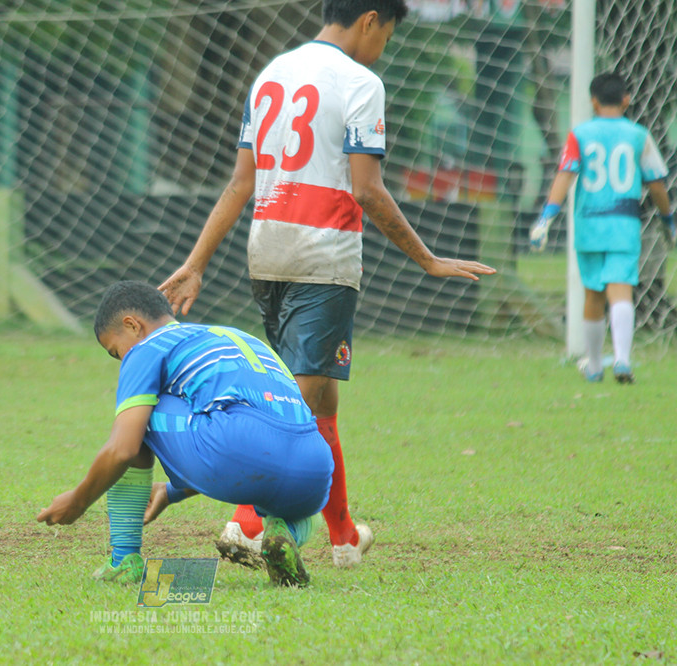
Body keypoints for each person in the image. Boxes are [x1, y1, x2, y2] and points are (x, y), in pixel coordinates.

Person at [158, 0, 496, 569]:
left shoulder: (272, 73)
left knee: (321, 400)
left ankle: (342, 537)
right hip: (323, 262)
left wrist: (196, 262)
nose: (382, 46)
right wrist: (427, 258)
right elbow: (367, 189)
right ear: (370, 19)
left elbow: (242, 182)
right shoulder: (361, 82)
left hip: (266, 257)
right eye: (386, 34)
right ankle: (243, 525)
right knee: (289, 402)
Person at [36, 280, 334, 587]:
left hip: (237, 450)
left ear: (132, 325)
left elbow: (123, 449)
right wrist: (168, 492)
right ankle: (284, 536)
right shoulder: (234, 337)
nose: (123, 361)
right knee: (289, 502)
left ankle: (123, 560)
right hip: (315, 469)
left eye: (116, 351)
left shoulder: (149, 348)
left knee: (139, 415)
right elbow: (258, 437)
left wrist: (79, 501)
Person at [530, 72, 673, 384]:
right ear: (626, 99)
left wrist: (546, 217)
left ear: (592, 100)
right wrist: (668, 218)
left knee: (593, 294)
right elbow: (657, 184)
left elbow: (564, 176)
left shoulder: (580, 134)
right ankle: (622, 359)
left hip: (589, 224)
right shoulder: (638, 135)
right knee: (621, 288)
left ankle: (594, 365)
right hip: (624, 223)